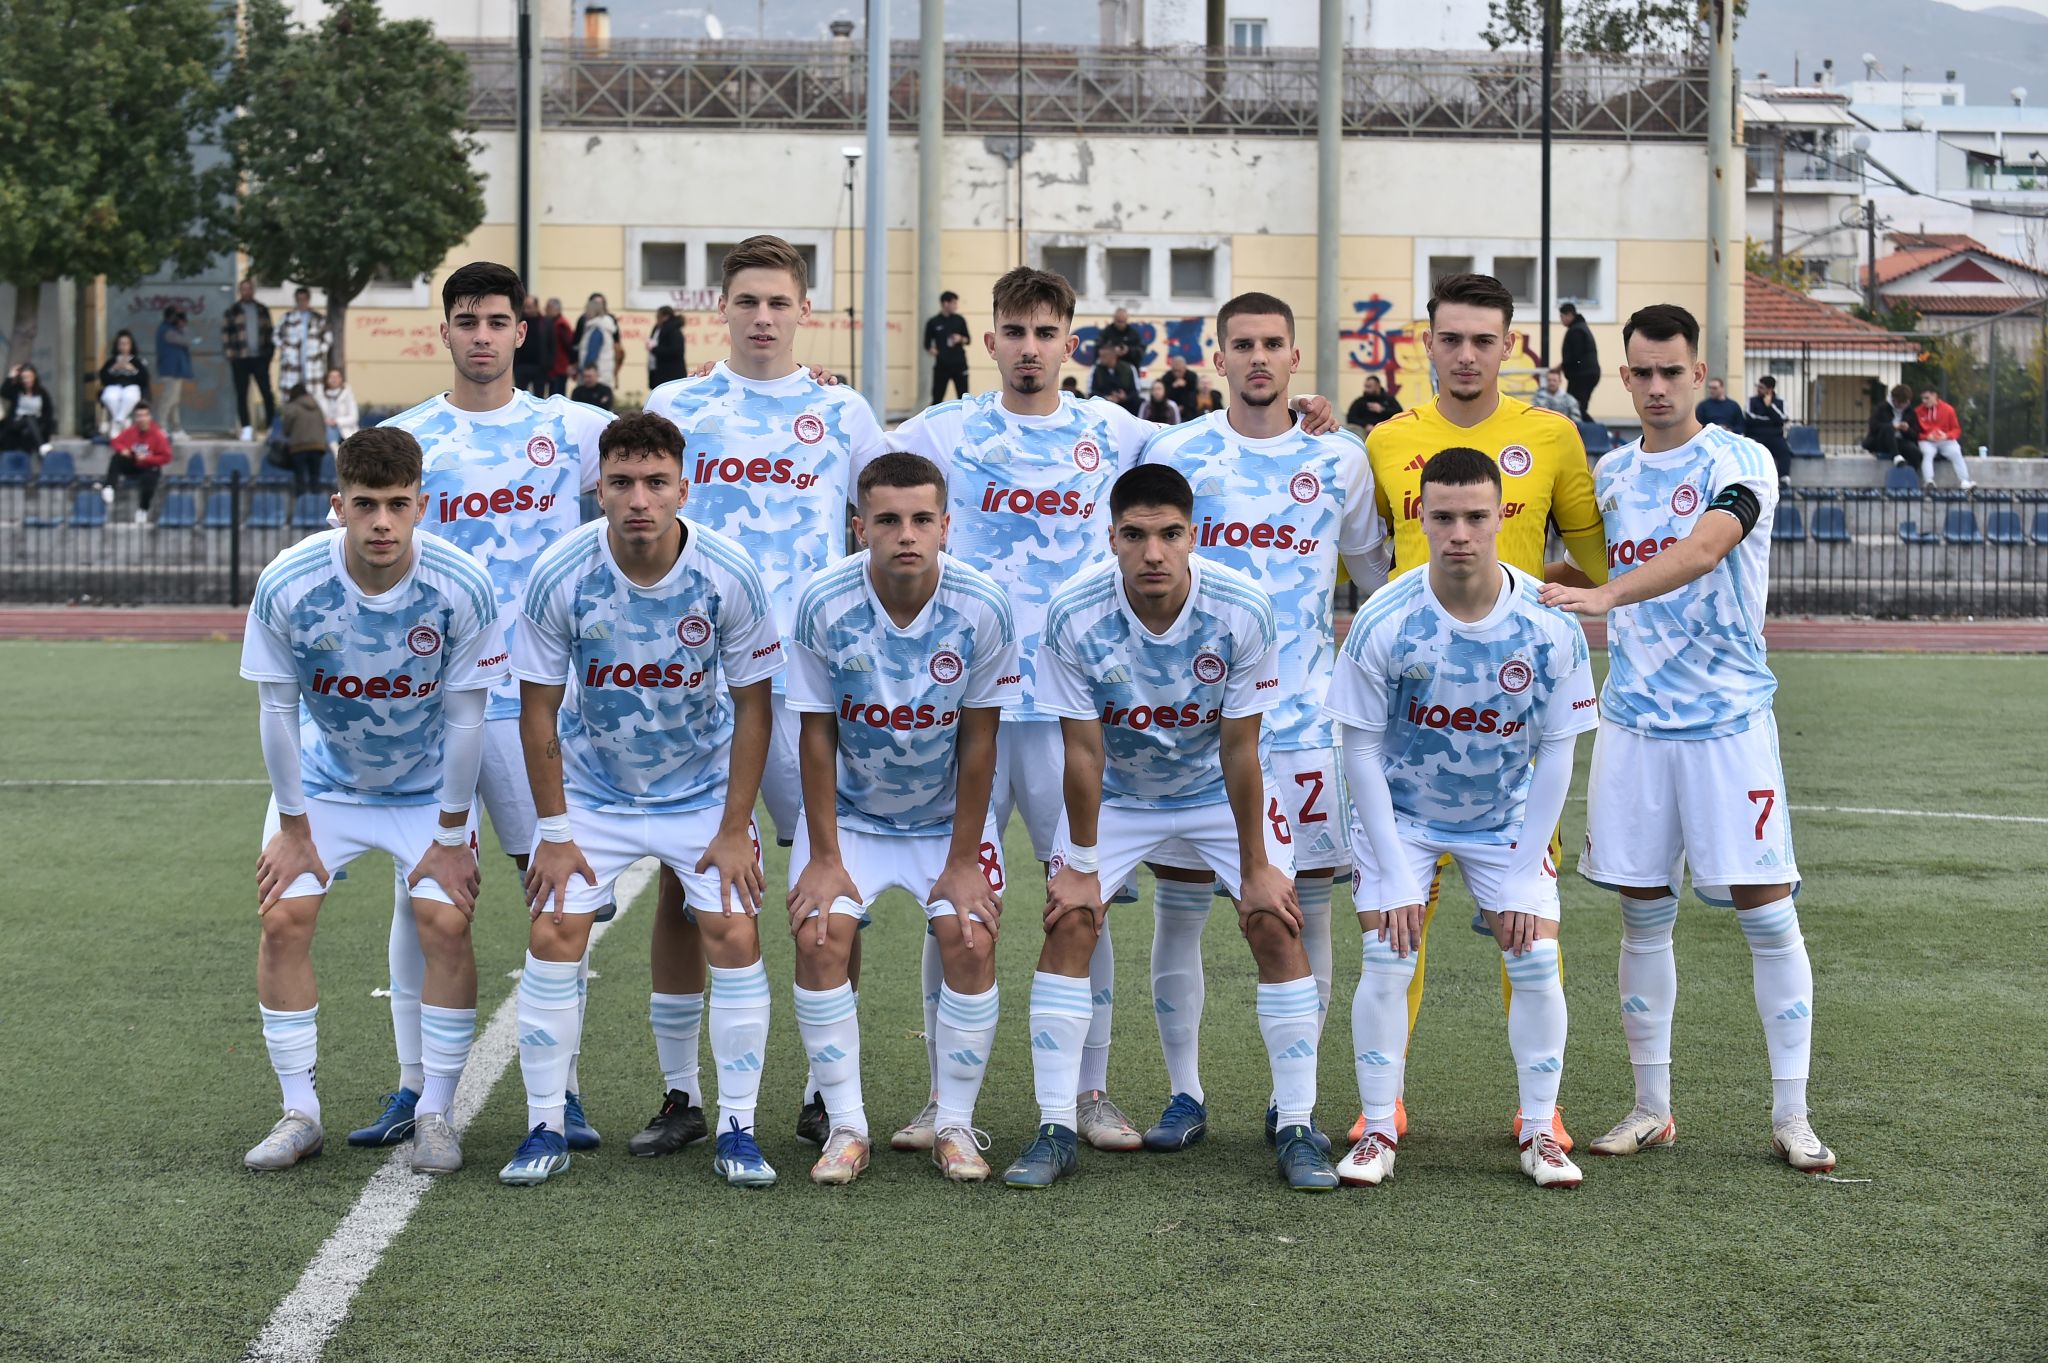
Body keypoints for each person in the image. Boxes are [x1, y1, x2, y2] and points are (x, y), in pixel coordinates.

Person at [891, 266, 1339, 1156]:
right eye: (1014, 332)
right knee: (959, 894)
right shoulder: (942, 429)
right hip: (973, 705)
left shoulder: (1121, 431)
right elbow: (860, 464)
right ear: (989, 340)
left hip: (1078, 715)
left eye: (1045, 333)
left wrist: (1305, 415)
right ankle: (943, 1096)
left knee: (1079, 896)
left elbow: (1219, 447)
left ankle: (1089, 1092)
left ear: (1071, 343)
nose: (1029, 349)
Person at [1539, 303, 1835, 1177]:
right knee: (1641, 916)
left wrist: (1604, 596)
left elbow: (1705, 549)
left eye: (1673, 370)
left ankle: (1793, 1114)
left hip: (1727, 724)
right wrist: (1517, 579)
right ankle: (1651, 1108)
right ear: (1623, 378)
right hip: (1634, 724)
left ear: (1700, 375)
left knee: (1767, 914)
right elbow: (1595, 570)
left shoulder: (1739, 460)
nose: (1658, 385)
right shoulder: (1613, 472)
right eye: (1643, 371)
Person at [1000, 463, 1337, 1193]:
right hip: (1120, 795)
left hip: (1216, 787)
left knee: (1275, 922)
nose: (1152, 552)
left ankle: (1296, 1124)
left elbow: (1241, 747)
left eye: (1170, 534)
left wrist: (1257, 867)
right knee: (1069, 922)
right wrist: (1081, 863)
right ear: (1111, 538)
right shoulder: (1073, 612)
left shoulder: (1242, 607)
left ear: (1194, 536)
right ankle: (1055, 1125)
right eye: (1135, 535)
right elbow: (1082, 751)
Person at [354, 262, 613, 1156]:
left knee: (558, 889)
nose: (481, 335)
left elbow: (669, 451)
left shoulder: (568, 427)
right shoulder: (409, 437)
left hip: (538, 704)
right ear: (445, 331)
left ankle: (563, 1087)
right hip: (433, 703)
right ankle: (413, 1083)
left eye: (497, 321)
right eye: (466, 320)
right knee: (418, 891)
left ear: (519, 332)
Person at [642, 234, 888, 1153]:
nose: (762, 317)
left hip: (813, 685)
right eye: (746, 300)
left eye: (779, 302)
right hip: (698, 686)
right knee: (684, 886)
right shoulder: (677, 405)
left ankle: (829, 1090)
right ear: (722, 308)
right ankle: (681, 1094)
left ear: (805, 310)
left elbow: (887, 513)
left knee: (830, 880)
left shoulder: (842, 410)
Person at [1134, 291, 1389, 1154]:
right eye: (1241, 344)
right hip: (1191, 730)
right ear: (1218, 358)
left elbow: (1371, 575)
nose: (1257, 358)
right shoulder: (1177, 451)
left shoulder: (1340, 458)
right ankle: (1184, 1092)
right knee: (1180, 910)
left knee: (1304, 913)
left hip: (1305, 728)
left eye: (1272, 344)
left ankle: (1293, 1105)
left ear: (1293, 356)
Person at [505, 410, 783, 1188]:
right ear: (597, 489)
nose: (638, 499)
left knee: (733, 931)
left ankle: (736, 1128)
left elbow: (755, 707)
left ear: (683, 489)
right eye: (622, 482)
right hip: (594, 792)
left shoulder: (728, 571)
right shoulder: (561, 572)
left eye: (656, 482)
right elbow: (537, 708)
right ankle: (543, 1125)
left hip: (699, 791)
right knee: (554, 929)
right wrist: (554, 831)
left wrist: (735, 827)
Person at [1363, 271, 1608, 1150]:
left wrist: (1540, 604)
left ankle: (1540, 1107)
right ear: (1426, 342)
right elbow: (1367, 556)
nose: (1466, 354)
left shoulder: (1552, 435)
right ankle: (1383, 1101)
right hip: (1410, 714)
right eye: (1451, 338)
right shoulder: (1387, 440)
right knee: (1398, 917)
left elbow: (1596, 558)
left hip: (1510, 718)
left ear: (1510, 346)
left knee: (1529, 916)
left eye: (1483, 340)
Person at [1326, 446, 1598, 1191]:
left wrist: (1523, 873)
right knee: (1388, 952)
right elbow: (1360, 752)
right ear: (1421, 517)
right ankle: (1377, 1128)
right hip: (1403, 818)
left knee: (1534, 957)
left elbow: (1558, 753)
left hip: (1506, 818)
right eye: (1443, 517)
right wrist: (1392, 873)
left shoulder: (1549, 622)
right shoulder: (1384, 617)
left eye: (1476, 516)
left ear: (1501, 516)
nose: (1459, 534)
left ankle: (1540, 1131)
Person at [236, 425, 503, 1173]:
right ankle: (300, 1112)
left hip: (428, 792)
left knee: (445, 923)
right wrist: (293, 827)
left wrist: (450, 835)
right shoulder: (289, 582)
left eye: (396, 505)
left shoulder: (461, 584)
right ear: (338, 506)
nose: (381, 522)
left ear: (422, 505)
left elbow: (468, 719)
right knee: (283, 918)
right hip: (324, 787)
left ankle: (435, 1112)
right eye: (365, 505)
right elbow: (277, 710)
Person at [784, 452, 1020, 1184]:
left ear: (947, 526)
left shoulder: (984, 605)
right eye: (887, 520)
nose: (906, 534)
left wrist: (964, 860)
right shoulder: (822, 602)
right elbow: (816, 734)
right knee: (819, 934)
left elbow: (980, 740)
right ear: (860, 528)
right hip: (851, 817)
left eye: (922, 519)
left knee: (970, 938)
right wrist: (824, 856)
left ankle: (955, 1124)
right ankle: (845, 1127)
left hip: (946, 821)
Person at [223, 278, 277, 441]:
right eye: (243, 289)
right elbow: (226, 334)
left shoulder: (262, 310)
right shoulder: (232, 311)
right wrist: (231, 355)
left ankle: (270, 427)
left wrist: (269, 355)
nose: (247, 292)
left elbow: (270, 333)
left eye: (249, 288)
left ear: (253, 290)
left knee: (266, 393)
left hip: (260, 358)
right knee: (242, 394)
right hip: (240, 358)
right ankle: (246, 428)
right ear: (240, 291)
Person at [103, 401, 174, 523]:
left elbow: (166, 457)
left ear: (149, 417)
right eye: (139, 416)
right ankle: (109, 487)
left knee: (150, 478)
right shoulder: (131, 431)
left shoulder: (158, 435)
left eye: (144, 415)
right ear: (135, 418)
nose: (142, 419)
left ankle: (143, 510)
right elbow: (115, 442)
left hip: (149, 466)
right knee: (116, 458)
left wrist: (147, 459)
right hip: (133, 463)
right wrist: (123, 449)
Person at [275, 288, 330, 395]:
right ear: (295, 300)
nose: (302, 302)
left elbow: (328, 337)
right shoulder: (287, 318)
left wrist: (320, 350)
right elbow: (275, 336)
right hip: (292, 360)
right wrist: (284, 348)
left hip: (313, 361)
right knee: (291, 392)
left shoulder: (318, 318)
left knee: (314, 392)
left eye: (304, 299)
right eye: (299, 299)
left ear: (308, 300)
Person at [1915, 387, 1973, 489]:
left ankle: (1964, 481)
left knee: (1956, 452)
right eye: (1922, 398)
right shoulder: (1918, 411)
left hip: (1945, 440)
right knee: (1928, 453)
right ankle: (1928, 481)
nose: (1924, 401)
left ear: (1934, 396)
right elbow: (1914, 432)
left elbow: (1956, 430)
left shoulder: (1948, 409)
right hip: (1927, 441)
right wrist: (1926, 436)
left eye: (1927, 398)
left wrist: (1946, 435)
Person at [280, 383, 329, 498]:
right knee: (315, 478)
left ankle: (301, 504)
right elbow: (323, 425)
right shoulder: (317, 406)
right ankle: (315, 503)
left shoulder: (292, 406)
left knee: (300, 479)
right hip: (317, 446)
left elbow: (286, 429)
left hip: (299, 446)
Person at [924, 290, 972, 403]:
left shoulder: (960, 320)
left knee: (964, 399)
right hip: (942, 366)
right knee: (937, 399)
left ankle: (964, 415)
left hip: (959, 364)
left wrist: (960, 338)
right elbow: (927, 344)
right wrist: (935, 351)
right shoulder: (933, 322)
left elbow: (968, 340)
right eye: (954, 303)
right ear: (945, 303)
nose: (956, 306)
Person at [98, 330, 150, 432]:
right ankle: (122, 421)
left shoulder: (137, 361)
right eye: (121, 344)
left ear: (131, 345)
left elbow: (144, 379)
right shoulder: (111, 361)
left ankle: (118, 421)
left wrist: (132, 369)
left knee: (129, 397)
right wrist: (114, 368)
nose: (124, 347)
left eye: (126, 344)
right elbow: (104, 378)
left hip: (131, 386)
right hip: (114, 386)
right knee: (109, 397)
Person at [1745, 376, 1793, 485]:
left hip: (1775, 436)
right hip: (1756, 435)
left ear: (1770, 389)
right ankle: (1751, 478)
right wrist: (1772, 421)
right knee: (1750, 451)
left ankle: (1784, 478)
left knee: (1784, 451)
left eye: (1761, 387)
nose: (1758, 389)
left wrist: (1769, 406)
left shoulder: (1780, 402)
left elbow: (1783, 419)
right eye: (1758, 386)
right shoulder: (1751, 401)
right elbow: (1750, 418)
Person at [155, 306, 194, 436]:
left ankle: (176, 427)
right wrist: (184, 326)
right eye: (177, 316)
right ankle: (161, 426)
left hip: (176, 370)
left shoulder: (172, 329)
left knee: (175, 400)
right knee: (168, 399)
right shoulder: (167, 331)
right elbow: (187, 340)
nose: (178, 319)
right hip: (169, 370)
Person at [1, 363, 56, 453]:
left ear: (34, 377)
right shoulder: (17, 390)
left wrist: (47, 432)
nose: (27, 380)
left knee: (29, 428)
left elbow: (48, 413)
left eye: (29, 377)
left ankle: (34, 451)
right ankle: (42, 446)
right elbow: (4, 392)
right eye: (24, 377)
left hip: (35, 424)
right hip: (17, 422)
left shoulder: (42, 393)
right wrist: (11, 375)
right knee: (28, 418)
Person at [1558, 302, 1599, 416]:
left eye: (1562, 316)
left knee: (1574, 408)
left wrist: (1564, 366)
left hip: (1581, 375)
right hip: (1586, 373)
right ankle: (1589, 426)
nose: (1561, 320)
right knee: (1578, 408)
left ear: (1569, 315)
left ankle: (1594, 427)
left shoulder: (1576, 330)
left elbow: (1575, 356)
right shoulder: (1580, 327)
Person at [574, 293, 621, 390]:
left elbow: (592, 355)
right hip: (603, 372)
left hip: (594, 376)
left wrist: (583, 371)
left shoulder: (596, 329)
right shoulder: (604, 326)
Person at [514, 295, 552, 397]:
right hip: (521, 366)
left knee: (539, 397)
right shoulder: (518, 321)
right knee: (519, 396)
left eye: (529, 307)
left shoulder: (545, 322)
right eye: (525, 307)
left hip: (539, 367)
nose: (526, 310)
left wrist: (548, 364)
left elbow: (551, 345)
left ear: (536, 307)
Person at [1090, 341, 1140, 415]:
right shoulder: (1096, 369)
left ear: (1113, 355)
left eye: (1104, 356)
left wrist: (1125, 397)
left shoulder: (1128, 368)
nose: (1100, 359)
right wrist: (1106, 398)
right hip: (1104, 410)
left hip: (1126, 409)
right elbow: (1091, 392)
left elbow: (1135, 392)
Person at [318, 368, 360, 447]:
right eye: (331, 377)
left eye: (337, 377)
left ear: (341, 379)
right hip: (326, 433)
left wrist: (336, 421)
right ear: (327, 380)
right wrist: (326, 420)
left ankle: (335, 449)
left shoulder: (348, 394)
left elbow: (354, 417)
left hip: (346, 433)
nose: (334, 379)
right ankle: (334, 448)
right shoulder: (321, 395)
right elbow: (319, 415)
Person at [649, 305, 688, 388]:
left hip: (671, 374)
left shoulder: (673, 330)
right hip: (658, 371)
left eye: (658, 317)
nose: (657, 319)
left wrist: (654, 349)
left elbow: (676, 351)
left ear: (665, 317)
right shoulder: (658, 328)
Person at [544, 298, 576, 397]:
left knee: (557, 395)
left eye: (548, 308)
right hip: (554, 367)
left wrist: (572, 363)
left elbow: (569, 345)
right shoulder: (553, 322)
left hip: (560, 367)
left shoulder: (561, 324)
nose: (545, 310)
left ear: (556, 309)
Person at [1161, 353, 1202, 421]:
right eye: (1175, 370)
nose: (1177, 373)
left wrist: (1186, 385)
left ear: (1185, 368)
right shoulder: (1166, 377)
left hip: (1189, 409)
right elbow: (1164, 395)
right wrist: (1173, 386)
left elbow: (1195, 394)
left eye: (1179, 370)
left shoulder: (1192, 376)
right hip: (1170, 409)